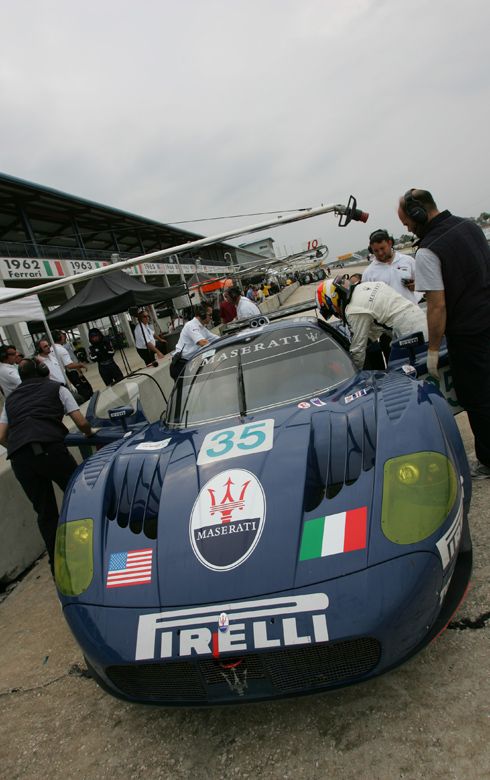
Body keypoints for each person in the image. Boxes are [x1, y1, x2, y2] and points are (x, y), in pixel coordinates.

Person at [398, 187, 490, 480]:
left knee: (478, 398)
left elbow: (436, 306)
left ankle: (488, 461)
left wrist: (434, 350)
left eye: (407, 222)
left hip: (469, 335)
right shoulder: (471, 226)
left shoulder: (428, 250)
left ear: (418, 213)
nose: (408, 227)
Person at [0, 357, 93, 574]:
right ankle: (89, 550)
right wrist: (89, 433)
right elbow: (80, 422)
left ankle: (58, 566)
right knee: (79, 498)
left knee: (45, 512)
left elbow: (2, 436)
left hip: (21, 460)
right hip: (52, 451)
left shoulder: (11, 399)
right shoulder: (57, 389)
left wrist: (19, 445)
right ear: (44, 371)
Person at [317, 275, 428, 370]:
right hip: (422, 321)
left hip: (409, 334)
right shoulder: (366, 286)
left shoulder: (353, 310)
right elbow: (375, 329)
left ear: (333, 299)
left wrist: (353, 374)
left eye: (333, 312)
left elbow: (358, 351)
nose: (337, 315)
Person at [363, 229, 421, 304]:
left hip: (412, 312)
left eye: (382, 248)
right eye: (376, 251)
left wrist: (416, 286)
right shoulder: (368, 273)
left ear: (390, 243)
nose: (380, 253)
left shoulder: (408, 260)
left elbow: (424, 284)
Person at [171, 303, 219, 379]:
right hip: (181, 365)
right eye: (209, 315)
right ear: (202, 314)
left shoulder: (202, 328)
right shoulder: (191, 325)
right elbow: (202, 342)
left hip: (190, 363)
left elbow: (216, 339)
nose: (211, 317)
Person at [52, 330, 94, 401]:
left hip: (64, 375)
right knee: (84, 392)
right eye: (63, 335)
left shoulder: (53, 349)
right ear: (59, 337)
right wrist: (80, 365)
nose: (65, 337)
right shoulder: (61, 349)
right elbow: (69, 365)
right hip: (70, 373)